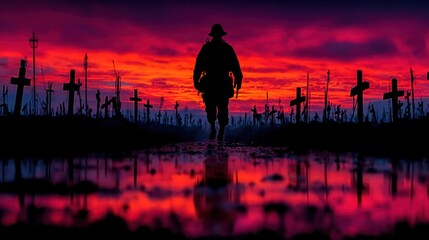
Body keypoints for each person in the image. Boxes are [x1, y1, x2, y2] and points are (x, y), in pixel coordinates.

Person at [193, 23, 243, 141]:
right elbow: (199, 66)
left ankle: (219, 131)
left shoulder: (216, 48)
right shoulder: (223, 48)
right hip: (216, 83)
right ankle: (215, 129)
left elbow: (235, 66)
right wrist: (196, 80)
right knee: (214, 107)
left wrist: (238, 79)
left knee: (220, 107)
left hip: (218, 83)